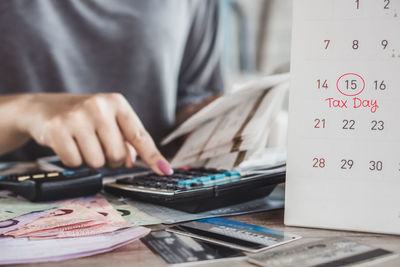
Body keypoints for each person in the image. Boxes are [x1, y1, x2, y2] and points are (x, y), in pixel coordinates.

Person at [0, 0, 224, 175]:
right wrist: (23, 110)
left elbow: (192, 95)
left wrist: (208, 123)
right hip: (22, 194)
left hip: (159, 195)